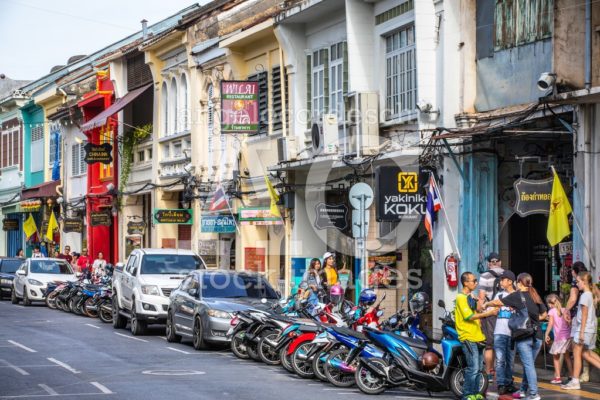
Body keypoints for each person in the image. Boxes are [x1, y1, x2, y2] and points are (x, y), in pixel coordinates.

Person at [484, 273, 547, 400]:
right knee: (528, 365)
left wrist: (486, 305)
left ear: (518, 282)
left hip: (525, 337)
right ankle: (523, 390)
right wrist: (533, 320)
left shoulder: (518, 295)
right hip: (538, 336)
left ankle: (534, 394)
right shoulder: (535, 295)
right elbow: (544, 314)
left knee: (528, 366)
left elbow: (498, 302)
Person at [455, 272, 498, 400]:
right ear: (465, 283)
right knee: (472, 368)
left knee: (479, 369)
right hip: (468, 337)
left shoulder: (469, 297)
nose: (476, 283)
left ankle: (475, 393)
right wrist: (489, 313)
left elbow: (478, 310)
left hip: (478, 337)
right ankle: (467, 394)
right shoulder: (460, 298)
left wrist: (478, 300)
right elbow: (470, 316)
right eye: (473, 281)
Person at [561, 271, 600, 390]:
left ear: (584, 281)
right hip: (590, 329)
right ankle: (575, 381)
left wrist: (581, 332)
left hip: (584, 329)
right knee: (585, 354)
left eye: (578, 281)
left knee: (578, 354)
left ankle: (575, 381)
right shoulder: (590, 294)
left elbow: (584, 315)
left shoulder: (584, 296)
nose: (576, 284)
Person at [478, 251, 504, 382]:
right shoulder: (507, 275)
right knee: (501, 343)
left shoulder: (485, 276)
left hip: (490, 314)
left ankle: (488, 372)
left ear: (489, 263)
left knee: (489, 344)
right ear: (500, 262)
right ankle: (501, 372)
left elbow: (482, 297)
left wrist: (479, 311)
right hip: (504, 313)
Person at [492, 270, 518, 395]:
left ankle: (509, 383)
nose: (501, 282)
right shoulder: (499, 295)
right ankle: (501, 384)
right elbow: (492, 310)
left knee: (510, 360)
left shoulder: (518, 296)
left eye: (503, 279)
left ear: (510, 282)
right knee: (500, 360)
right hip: (500, 332)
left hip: (513, 333)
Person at [564, 262, 591, 382]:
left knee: (577, 347)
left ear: (574, 272)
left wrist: (565, 310)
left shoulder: (576, 281)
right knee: (584, 348)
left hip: (578, 315)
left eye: (571, 270)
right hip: (590, 316)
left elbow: (573, 298)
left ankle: (576, 375)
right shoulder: (589, 279)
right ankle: (583, 373)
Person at [544, 293, 573, 384]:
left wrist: (546, 334)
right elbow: (569, 323)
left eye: (548, 303)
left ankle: (557, 377)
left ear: (550, 303)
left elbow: (550, 324)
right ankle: (572, 376)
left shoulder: (552, 311)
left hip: (559, 338)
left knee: (556, 357)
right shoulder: (566, 310)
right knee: (567, 357)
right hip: (567, 337)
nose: (548, 305)